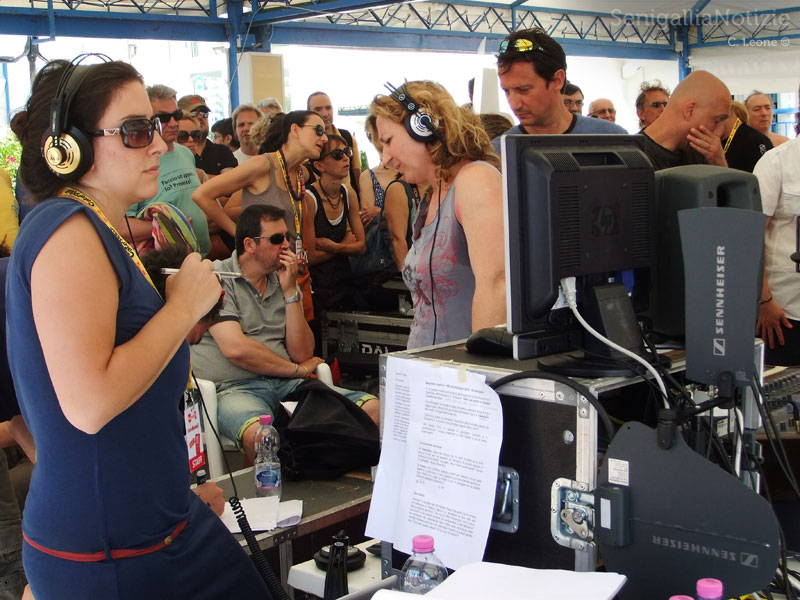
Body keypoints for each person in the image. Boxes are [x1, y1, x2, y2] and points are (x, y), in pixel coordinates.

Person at [6, 57, 268, 598]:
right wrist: (182, 308)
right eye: (135, 130)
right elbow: (89, 403)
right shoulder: (68, 231)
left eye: (154, 126)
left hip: (154, 527)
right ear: (70, 147)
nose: (159, 144)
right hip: (115, 549)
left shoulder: (96, 229)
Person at [190, 205, 379, 463]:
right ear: (249, 244)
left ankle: (320, 475)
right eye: (277, 238)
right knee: (263, 437)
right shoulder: (218, 276)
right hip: (234, 388)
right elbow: (236, 349)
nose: (287, 245)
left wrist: (291, 292)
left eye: (287, 237)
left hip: (284, 384)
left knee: (372, 409)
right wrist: (296, 370)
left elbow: (303, 352)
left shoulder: (282, 280)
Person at [370, 80, 506, 348]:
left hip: (462, 369)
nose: (385, 158)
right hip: (432, 367)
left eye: (388, 141)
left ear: (423, 126)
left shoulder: (474, 179)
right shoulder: (432, 196)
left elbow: (496, 284)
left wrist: (481, 367)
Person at [192, 110, 328, 322]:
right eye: (318, 130)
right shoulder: (263, 165)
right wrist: (238, 233)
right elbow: (202, 195)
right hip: (261, 278)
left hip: (292, 275)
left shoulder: (302, 172)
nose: (324, 138)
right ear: (295, 130)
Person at [492, 28, 625, 154]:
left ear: (557, 80)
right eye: (506, 91)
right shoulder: (498, 153)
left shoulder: (614, 139)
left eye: (523, 90)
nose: (514, 104)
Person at [122, 84, 211, 256]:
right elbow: (122, 227)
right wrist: (169, 226)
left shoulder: (186, 153)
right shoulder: (137, 163)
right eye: (163, 118)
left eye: (176, 115)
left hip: (202, 255)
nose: (173, 123)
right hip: (166, 263)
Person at [754, 136, 800, 365]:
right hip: (784, 311)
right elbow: (752, 238)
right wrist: (764, 301)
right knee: (783, 379)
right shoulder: (776, 162)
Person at [305, 134, 366, 307]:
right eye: (338, 154)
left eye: (347, 152)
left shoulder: (348, 193)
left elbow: (361, 246)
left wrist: (334, 247)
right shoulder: (309, 198)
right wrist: (344, 246)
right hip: (317, 288)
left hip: (344, 282)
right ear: (319, 165)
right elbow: (310, 257)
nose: (346, 158)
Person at [638, 70, 731, 170]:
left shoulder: (700, 153)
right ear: (690, 110)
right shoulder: (633, 159)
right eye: (717, 121)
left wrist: (719, 165)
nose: (720, 133)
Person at [308, 91, 362, 197]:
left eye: (328, 108)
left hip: (348, 200)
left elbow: (356, 173)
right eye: (318, 109)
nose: (325, 114)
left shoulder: (347, 137)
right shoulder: (306, 143)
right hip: (318, 201)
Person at [177, 94, 237, 176]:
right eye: (193, 113)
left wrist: (201, 176)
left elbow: (232, 181)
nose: (200, 117)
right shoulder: (173, 154)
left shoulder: (222, 151)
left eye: (204, 113)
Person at [722, 100, 773, 173]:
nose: (764, 113)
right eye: (757, 109)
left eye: (768, 108)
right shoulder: (722, 139)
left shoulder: (756, 140)